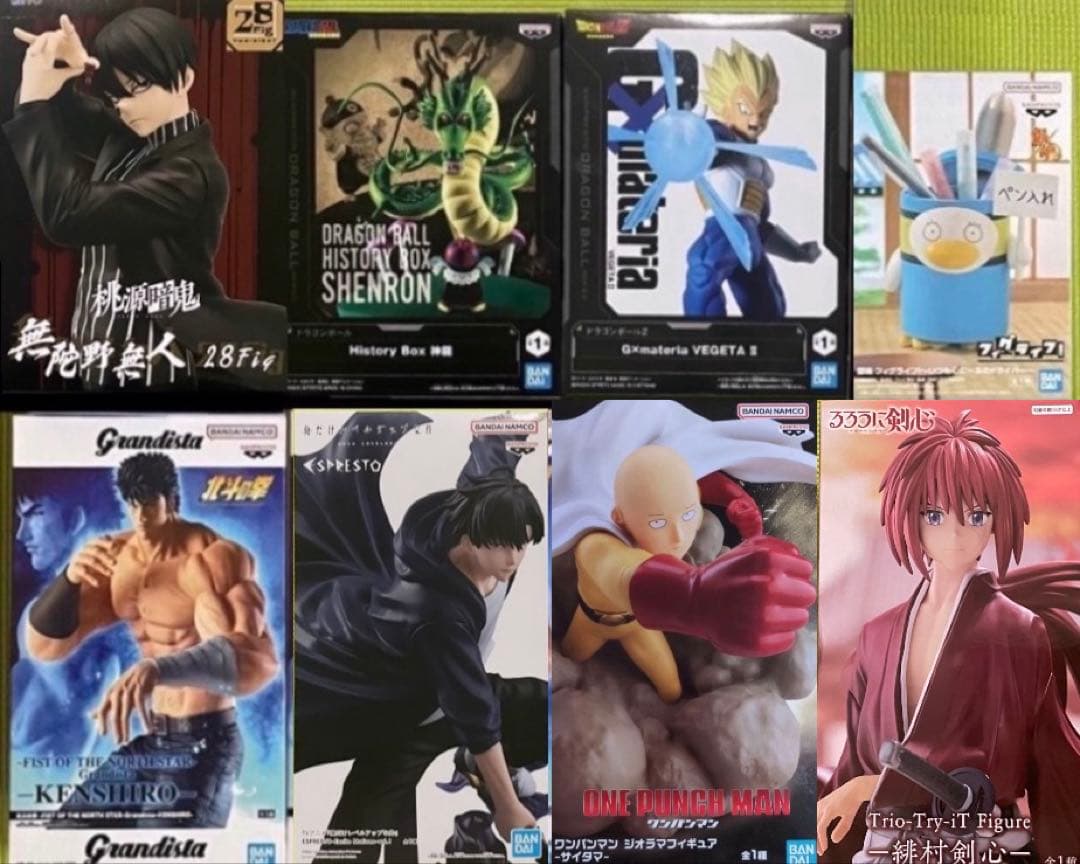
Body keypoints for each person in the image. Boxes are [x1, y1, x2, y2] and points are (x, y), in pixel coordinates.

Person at [817, 411, 1080, 861]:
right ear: (911, 518)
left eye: (976, 514)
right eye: (935, 515)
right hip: (884, 847)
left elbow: (1014, 763)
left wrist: (874, 786)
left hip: (977, 845)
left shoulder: (1018, 630)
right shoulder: (878, 634)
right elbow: (854, 765)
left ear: (997, 519)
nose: (956, 534)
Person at [294, 413, 547, 863]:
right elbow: (474, 711)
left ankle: (476, 764)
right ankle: (479, 767)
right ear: (472, 536)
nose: (513, 558)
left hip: (436, 689)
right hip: (398, 708)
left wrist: (511, 433)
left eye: (523, 543)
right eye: (503, 544)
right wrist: (508, 806)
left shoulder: (473, 510)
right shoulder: (436, 614)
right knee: (363, 834)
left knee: (550, 712)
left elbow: (486, 467)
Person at [4, 9, 285, 389]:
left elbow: (68, 215)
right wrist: (62, 69)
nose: (123, 106)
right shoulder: (130, 134)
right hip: (95, 365)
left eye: (137, 88)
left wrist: (34, 103)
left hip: (155, 371)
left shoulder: (190, 173)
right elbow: (65, 118)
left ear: (184, 78)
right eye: (114, 95)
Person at [24, 453, 278, 828]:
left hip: (205, 745)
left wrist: (158, 669)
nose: (140, 517)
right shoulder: (118, 559)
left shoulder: (212, 559)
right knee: (65, 832)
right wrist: (70, 579)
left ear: (172, 500)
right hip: (154, 742)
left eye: (149, 504)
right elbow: (45, 647)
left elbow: (257, 663)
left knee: (161, 847)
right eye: (133, 504)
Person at [561, 443, 814, 703]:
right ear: (619, 517)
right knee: (568, 661)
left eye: (688, 514)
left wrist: (737, 502)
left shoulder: (652, 505)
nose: (678, 537)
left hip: (639, 625)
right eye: (658, 522)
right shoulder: (595, 543)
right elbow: (622, 570)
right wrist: (693, 595)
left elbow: (688, 487)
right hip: (591, 624)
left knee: (671, 688)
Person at [684, 40, 820, 319]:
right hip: (722, 234)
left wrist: (796, 252)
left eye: (765, 112)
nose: (756, 120)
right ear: (723, 104)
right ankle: (703, 340)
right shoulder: (718, 136)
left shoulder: (758, 162)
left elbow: (760, 225)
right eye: (745, 110)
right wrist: (689, 139)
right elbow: (700, 151)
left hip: (751, 245)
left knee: (770, 310)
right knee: (703, 271)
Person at [11, 470, 137, 760]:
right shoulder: (40, 612)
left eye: (35, 514)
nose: (21, 534)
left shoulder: (112, 623)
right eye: (21, 518)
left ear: (74, 520)